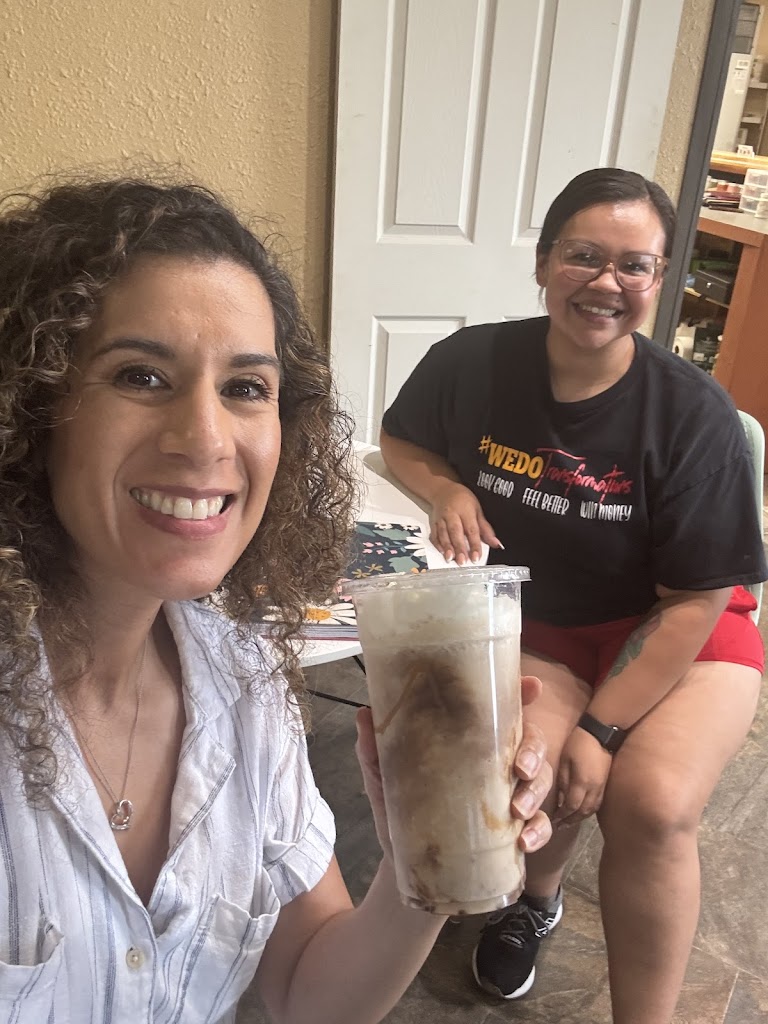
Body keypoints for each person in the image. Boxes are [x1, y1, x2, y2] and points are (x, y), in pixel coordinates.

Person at [0, 175, 553, 1024]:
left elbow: (307, 992)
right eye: (141, 375)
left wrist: (424, 859)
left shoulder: (245, 679)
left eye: (246, 388)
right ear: (33, 405)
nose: (206, 438)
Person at [379, 166, 767, 1024]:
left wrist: (602, 727)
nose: (606, 282)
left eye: (635, 265)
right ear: (545, 262)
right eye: (584, 256)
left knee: (650, 805)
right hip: (545, 624)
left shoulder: (693, 413)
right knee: (532, 776)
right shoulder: (472, 362)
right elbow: (401, 437)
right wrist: (444, 488)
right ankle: (538, 902)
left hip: (681, 624)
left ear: (659, 281)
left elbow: (696, 600)